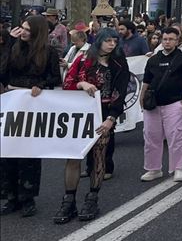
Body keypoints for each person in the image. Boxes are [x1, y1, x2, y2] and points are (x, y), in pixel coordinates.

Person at [54, 28, 129, 223]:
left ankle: (92, 198)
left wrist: (111, 119)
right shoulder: (83, 59)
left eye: (115, 41)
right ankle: (68, 200)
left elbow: (120, 92)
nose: (112, 44)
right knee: (73, 157)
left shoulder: (119, 62)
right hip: (79, 113)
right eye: (108, 40)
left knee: (98, 156)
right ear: (99, 41)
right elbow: (68, 83)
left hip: (103, 113)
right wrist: (82, 84)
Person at [0, 15, 61, 217]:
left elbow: (54, 77)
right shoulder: (14, 47)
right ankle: (10, 197)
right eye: (22, 28)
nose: (23, 31)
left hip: (33, 103)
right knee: (8, 150)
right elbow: (2, 72)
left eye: (27, 29)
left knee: (29, 153)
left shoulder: (49, 52)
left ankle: (27, 197)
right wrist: (8, 43)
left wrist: (40, 85)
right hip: (11, 100)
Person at [139, 27, 182, 183]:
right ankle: (154, 169)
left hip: (174, 103)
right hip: (153, 104)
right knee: (151, 136)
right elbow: (146, 81)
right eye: (164, 39)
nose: (167, 42)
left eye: (171, 39)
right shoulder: (153, 60)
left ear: (177, 41)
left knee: (176, 136)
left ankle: (177, 168)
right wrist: (141, 97)